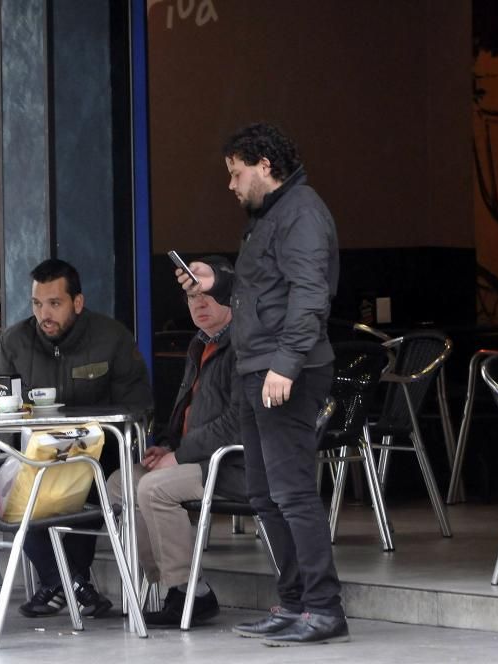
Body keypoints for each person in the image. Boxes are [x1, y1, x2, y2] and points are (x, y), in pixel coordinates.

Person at [178, 122, 346, 645]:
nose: (231, 185)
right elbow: (264, 286)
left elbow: (310, 294)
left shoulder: (302, 213)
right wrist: (217, 281)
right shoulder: (269, 217)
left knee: (292, 492)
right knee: (265, 494)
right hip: (259, 366)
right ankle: (295, 602)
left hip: (283, 370)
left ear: (264, 167)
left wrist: (286, 363)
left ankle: (323, 607)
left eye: (236, 172)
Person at [0, 258, 153, 618]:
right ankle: (73, 584)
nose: (44, 313)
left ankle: (57, 585)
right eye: (37, 303)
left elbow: (139, 403)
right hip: (32, 455)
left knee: (94, 481)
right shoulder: (14, 340)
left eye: (54, 304)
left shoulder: (111, 337)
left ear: (77, 303)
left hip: (95, 453)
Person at [105, 283, 245, 627]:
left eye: (207, 296)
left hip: (234, 464)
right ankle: (175, 584)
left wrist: (179, 456)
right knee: (120, 483)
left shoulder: (243, 343)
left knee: (153, 487)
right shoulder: (201, 343)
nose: (198, 304)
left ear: (229, 296)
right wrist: (168, 446)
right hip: (195, 458)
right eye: (191, 297)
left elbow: (236, 423)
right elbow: (186, 410)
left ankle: (189, 592)